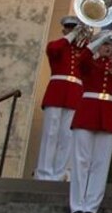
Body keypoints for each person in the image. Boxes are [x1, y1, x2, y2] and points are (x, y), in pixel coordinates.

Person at [69, 33, 112, 213]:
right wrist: (98, 41)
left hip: (108, 116)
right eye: (105, 45)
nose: (107, 48)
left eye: (109, 45)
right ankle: (77, 204)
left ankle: (91, 206)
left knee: (100, 163)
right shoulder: (90, 63)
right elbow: (82, 58)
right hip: (87, 113)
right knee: (81, 161)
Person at [36, 16, 87, 181]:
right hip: (56, 92)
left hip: (74, 94)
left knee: (67, 135)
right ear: (64, 29)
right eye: (69, 27)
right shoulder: (57, 45)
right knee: (50, 133)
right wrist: (71, 36)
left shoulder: (82, 50)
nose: (72, 29)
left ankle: (59, 173)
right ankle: (44, 172)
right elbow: (53, 49)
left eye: (75, 27)